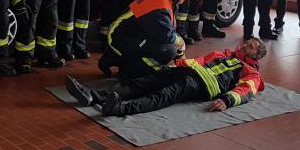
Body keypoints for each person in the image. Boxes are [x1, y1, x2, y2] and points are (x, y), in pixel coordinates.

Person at [66, 38, 266, 116]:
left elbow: (245, 90)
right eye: (247, 42)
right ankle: (94, 96)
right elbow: (198, 61)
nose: (243, 45)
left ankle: (118, 108)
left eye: (250, 46)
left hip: (201, 86)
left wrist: (226, 100)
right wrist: (176, 64)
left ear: (255, 56)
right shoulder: (224, 54)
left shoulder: (251, 72)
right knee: (143, 83)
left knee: (162, 95)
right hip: (188, 73)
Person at [98, 0, 201, 83]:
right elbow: (167, 36)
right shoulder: (159, 6)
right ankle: (129, 72)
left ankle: (113, 58)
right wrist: (181, 44)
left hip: (124, 36)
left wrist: (182, 60)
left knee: (165, 46)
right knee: (167, 50)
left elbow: (168, 31)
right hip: (120, 39)